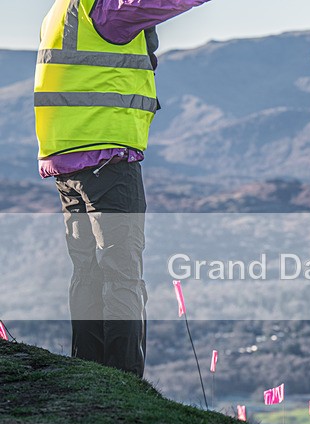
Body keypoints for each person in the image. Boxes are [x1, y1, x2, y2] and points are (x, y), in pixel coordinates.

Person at [34, 0, 212, 378]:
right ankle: (124, 377)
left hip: (67, 162)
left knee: (87, 273)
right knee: (122, 275)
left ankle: (88, 372)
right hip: (107, 163)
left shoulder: (62, 11)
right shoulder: (105, 11)